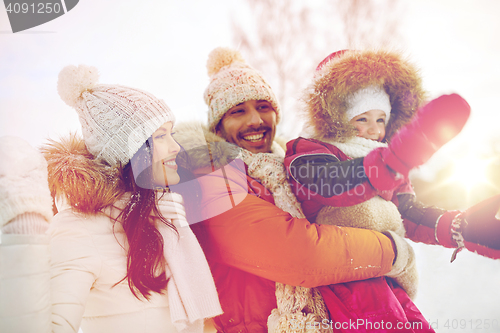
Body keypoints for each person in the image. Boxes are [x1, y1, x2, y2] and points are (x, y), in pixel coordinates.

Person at [171, 46, 420, 333]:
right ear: (218, 125)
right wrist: (393, 250)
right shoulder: (210, 179)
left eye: (263, 107)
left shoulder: (291, 169)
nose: (255, 120)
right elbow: (302, 254)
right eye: (238, 111)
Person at [283, 49, 500, 331]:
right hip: (343, 282)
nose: (374, 130)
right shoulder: (310, 152)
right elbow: (333, 183)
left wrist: (457, 227)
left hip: (387, 277)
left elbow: (407, 213)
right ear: (335, 117)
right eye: (362, 118)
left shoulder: (387, 160)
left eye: (381, 119)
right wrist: (395, 159)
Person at [0, 65, 222, 333]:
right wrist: (22, 236)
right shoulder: (79, 229)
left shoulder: (167, 216)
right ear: (131, 151)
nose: (176, 147)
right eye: (161, 136)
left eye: (171, 134)